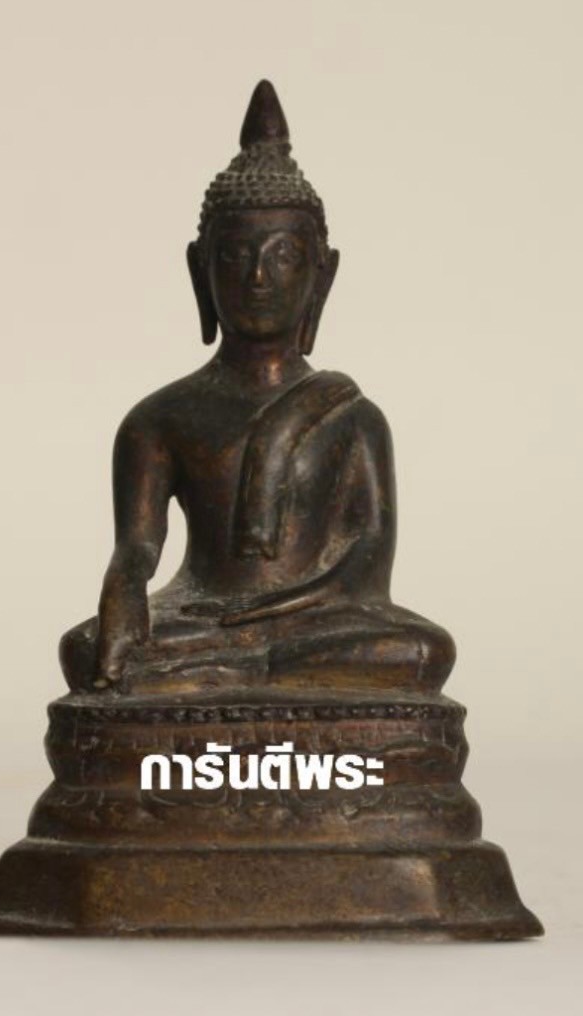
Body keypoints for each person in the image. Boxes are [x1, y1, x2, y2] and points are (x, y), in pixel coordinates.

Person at [60, 81, 455, 699]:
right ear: (200, 271)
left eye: (283, 256)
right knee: (85, 649)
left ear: (322, 276)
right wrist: (124, 592)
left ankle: (233, 674)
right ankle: (247, 672)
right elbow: (137, 546)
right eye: (235, 256)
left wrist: (271, 613)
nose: (258, 277)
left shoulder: (354, 419)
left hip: (313, 619)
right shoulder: (160, 419)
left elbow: (367, 565)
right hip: (200, 614)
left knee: (423, 651)